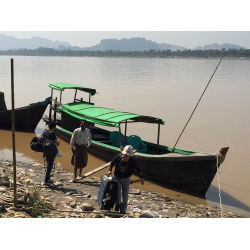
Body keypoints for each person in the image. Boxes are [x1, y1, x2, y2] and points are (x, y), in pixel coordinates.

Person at [108, 145, 144, 214]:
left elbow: (138, 168)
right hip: (117, 177)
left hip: (126, 179)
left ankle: (123, 209)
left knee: (125, 194)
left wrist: (141, 178)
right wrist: (110, 170)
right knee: (118, 192)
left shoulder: (132, 161)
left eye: (127, 155)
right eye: (125, 155)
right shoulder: (118, 157)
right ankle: (118, 204)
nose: (126, 156)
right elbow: (112, 162)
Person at [42, 120, 60, 186]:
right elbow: (56, 141)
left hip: (46, 150)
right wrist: (58, 142)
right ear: (54, 127)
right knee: (50, 165)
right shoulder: (53, 133)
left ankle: (48, 179)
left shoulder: (44, 132)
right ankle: (46, 181)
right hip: (51, 151)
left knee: (48, 163)